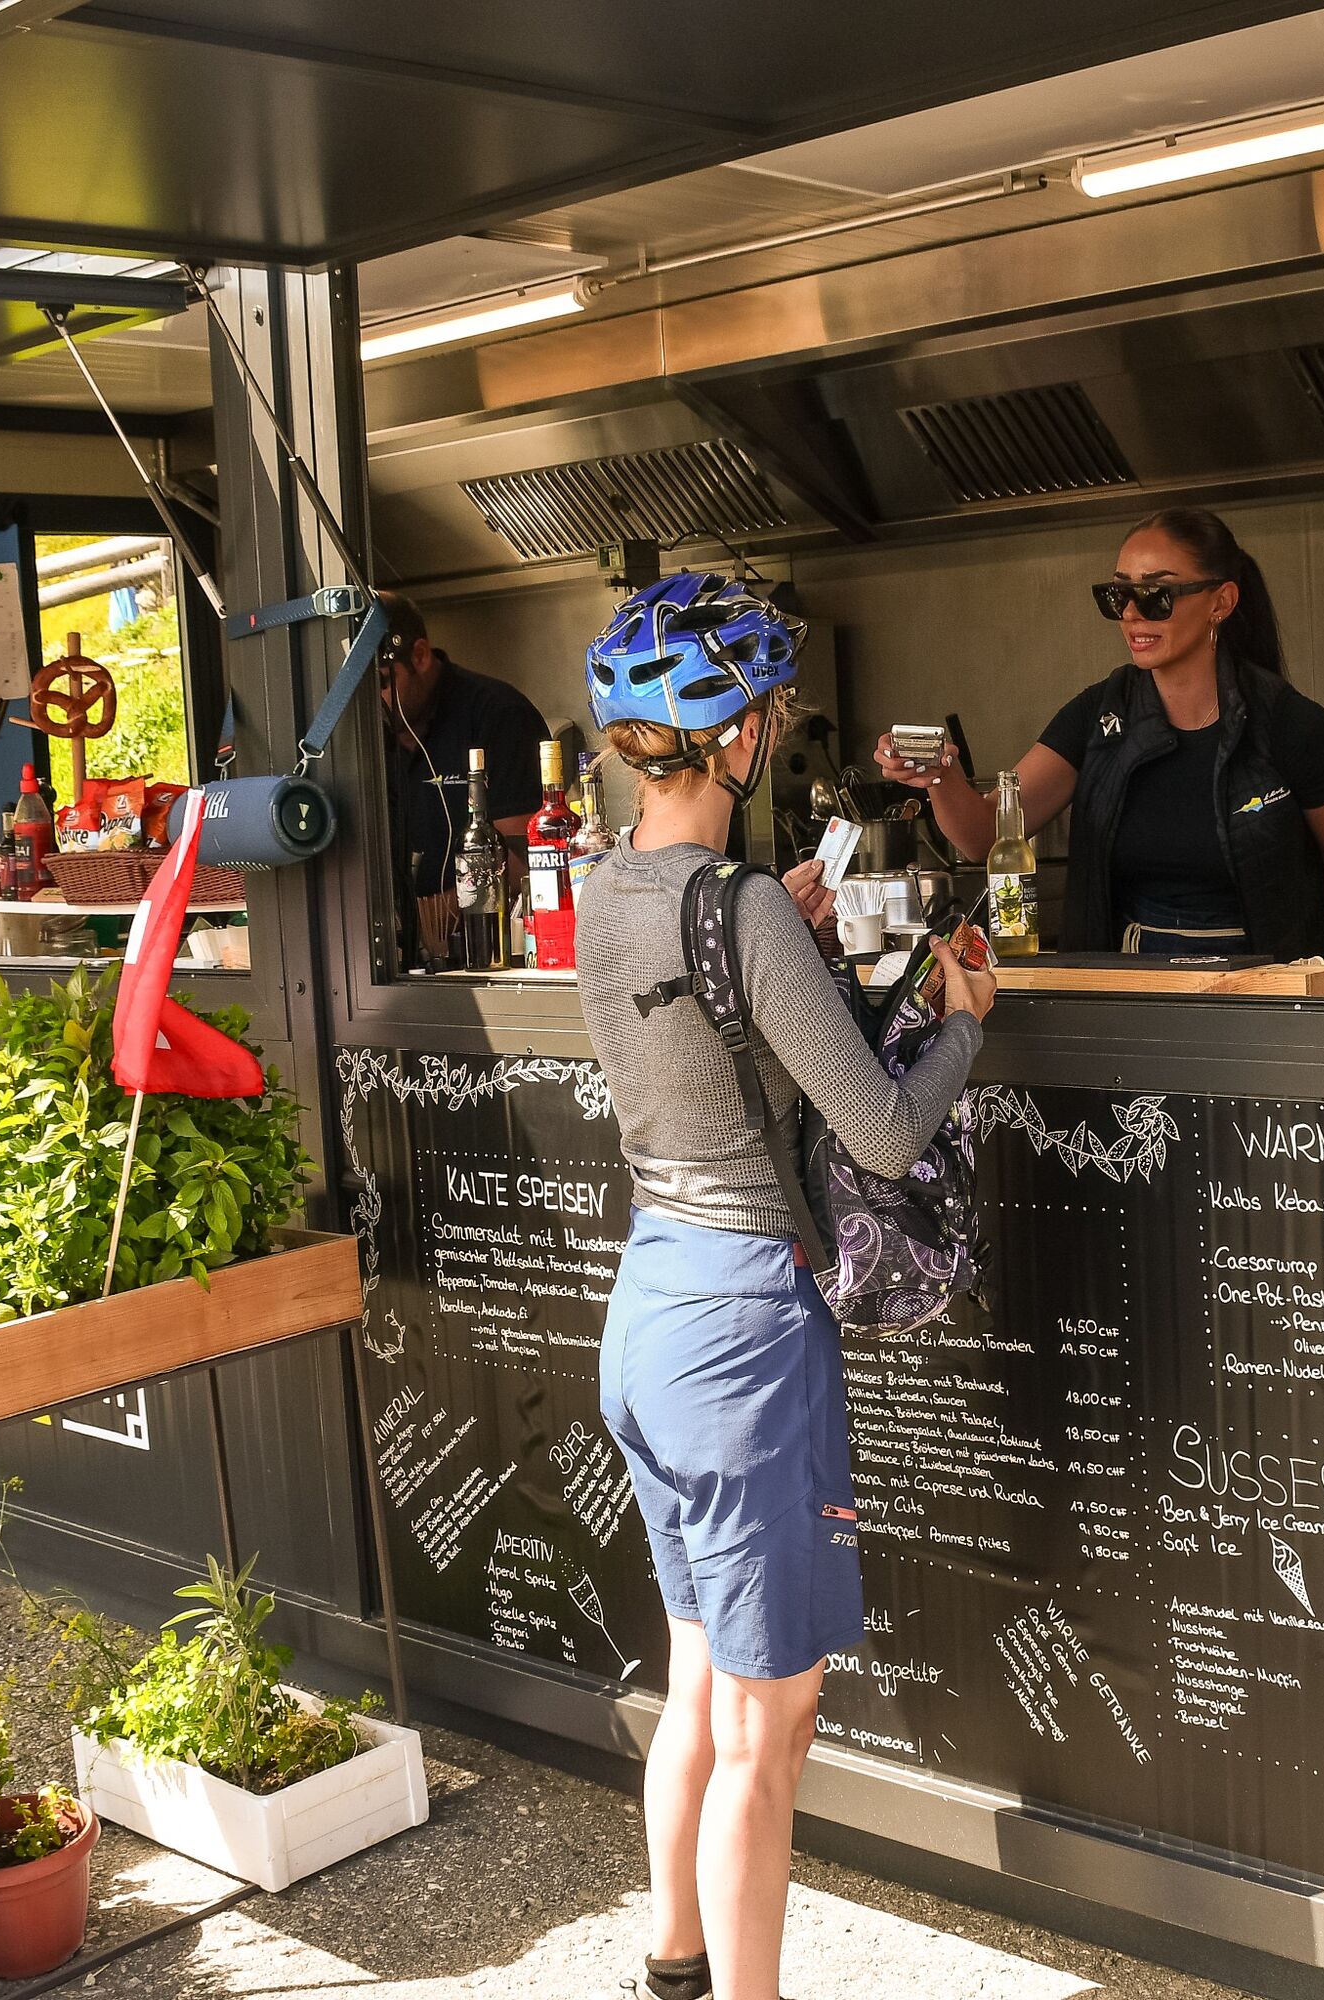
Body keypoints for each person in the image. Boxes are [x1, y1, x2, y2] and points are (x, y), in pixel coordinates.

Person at [575, 571, 995, 2000]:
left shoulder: (610, 891)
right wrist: (963, 1026)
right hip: (747, 1337)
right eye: (769, 709)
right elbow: (881, 1130)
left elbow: (696, 1034)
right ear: (739, 733)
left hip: (648, 1314)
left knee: (696, 1669)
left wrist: (780, 934)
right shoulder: (742, 906)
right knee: (776, 1727)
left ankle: (674, 1964)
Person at [875, 507, 1324, 958]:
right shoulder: (1099, 716)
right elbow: (986, 836)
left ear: (1221, 601)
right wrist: (938, 775)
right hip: (1133, 987)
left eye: (1157, 595)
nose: (1133, 613)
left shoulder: (1294, 727)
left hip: (1268, 992)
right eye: (1119, 595)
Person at [375, 590, 547, 909]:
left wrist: (430, 916)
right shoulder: (356, 740)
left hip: (482, 931)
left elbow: (526, 859)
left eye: (381, 683)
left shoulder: (500, 715)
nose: (370, 702)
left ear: (420, 656)